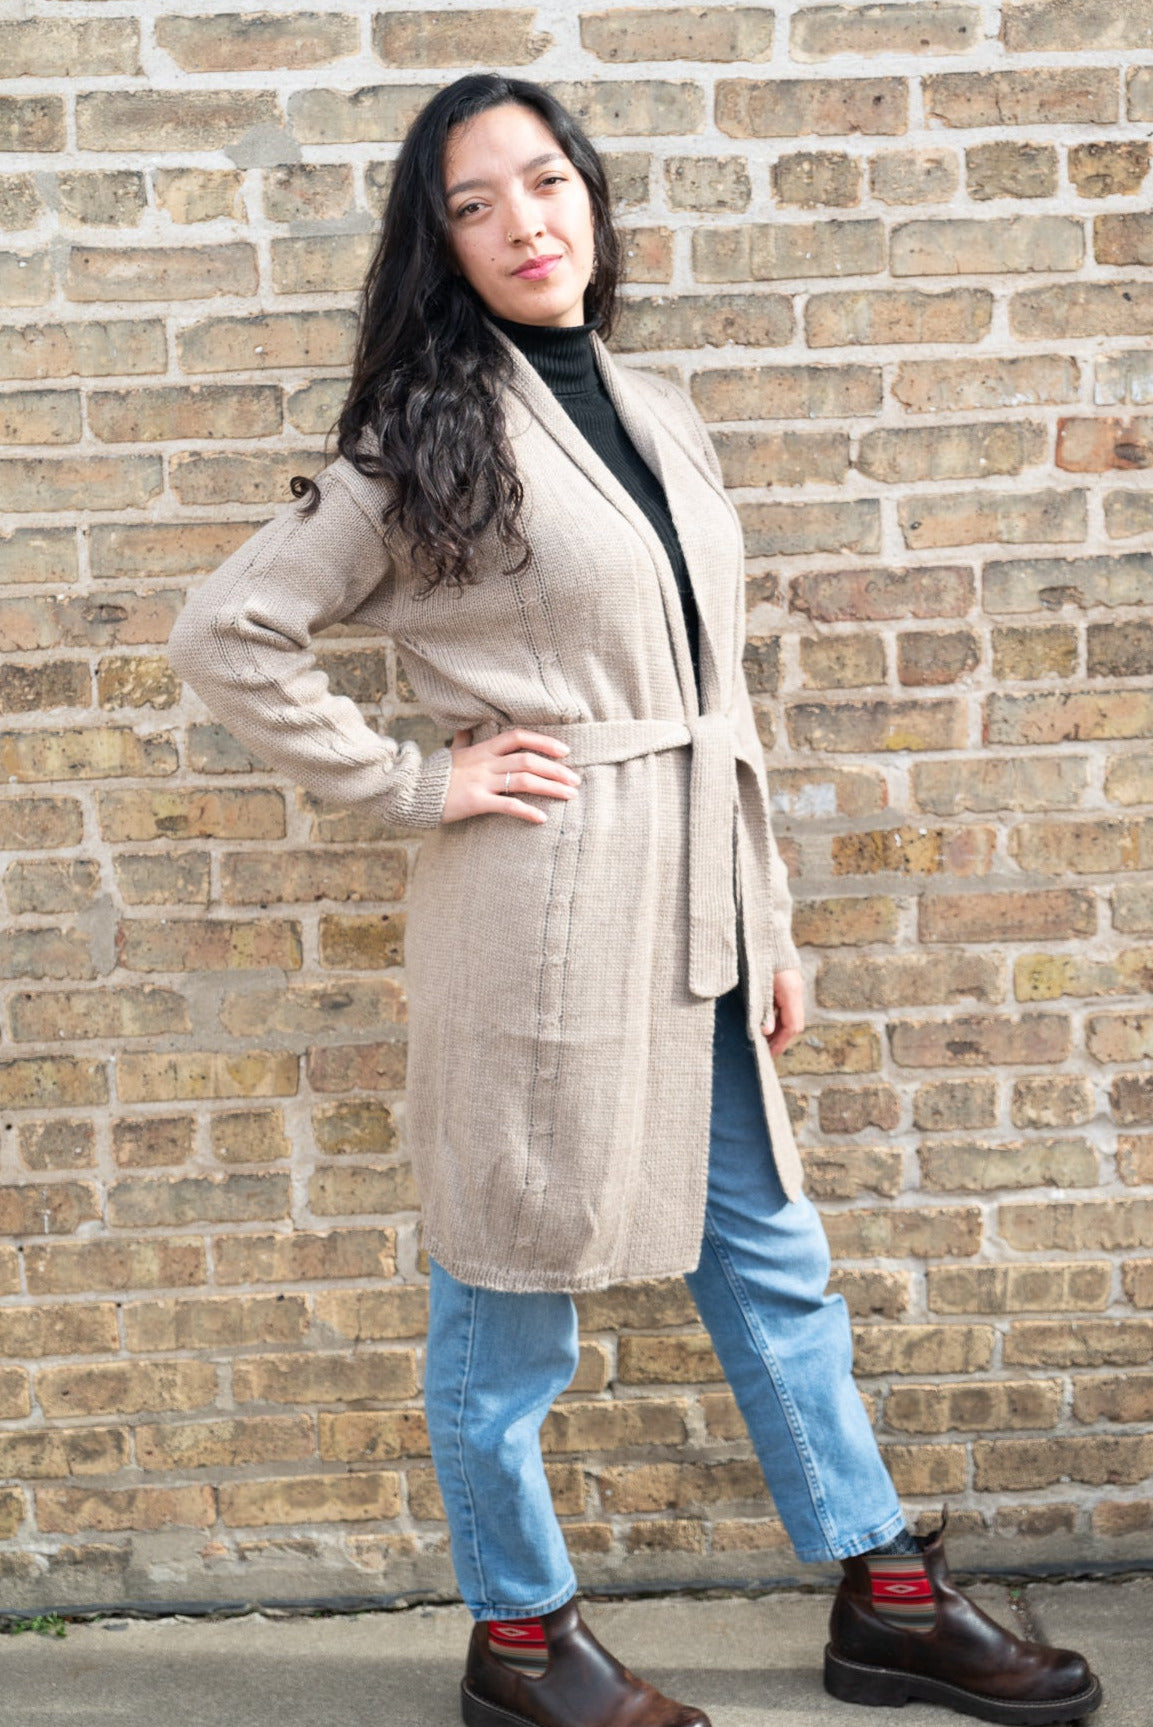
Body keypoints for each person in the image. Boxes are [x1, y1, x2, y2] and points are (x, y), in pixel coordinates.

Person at [164, 72, 1102, 1727]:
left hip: (695, 911)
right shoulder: (419, 437)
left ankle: (884, 1595)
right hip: (539, 911)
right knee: (505, 1284)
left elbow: (713, 694)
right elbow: (228, 635)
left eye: (544, 181)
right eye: (473, 205)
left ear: (589, 195)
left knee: (772, 1257)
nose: (522, 223)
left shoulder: (656, 408)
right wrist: (415, 783)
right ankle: (523, 1641)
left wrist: (768, 921)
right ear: (440, 244)